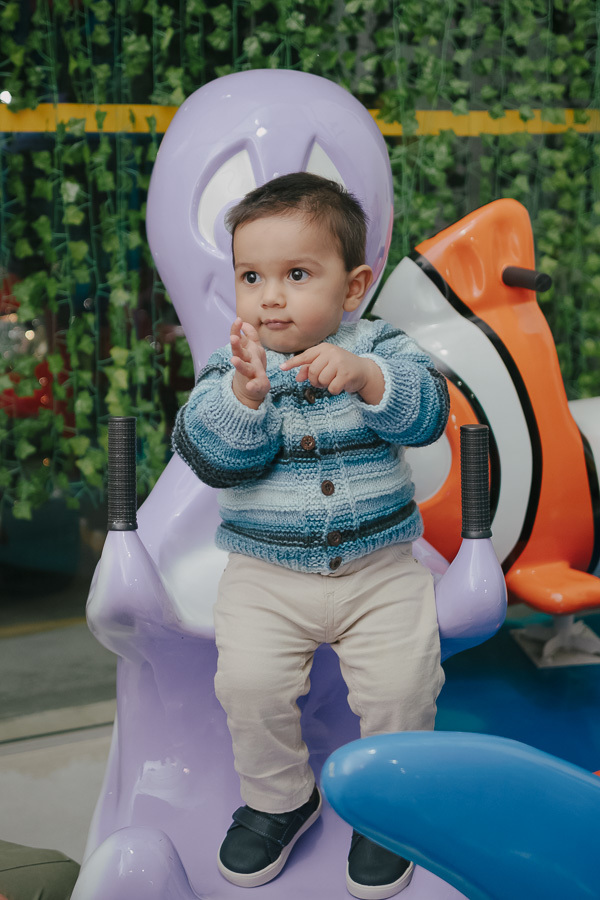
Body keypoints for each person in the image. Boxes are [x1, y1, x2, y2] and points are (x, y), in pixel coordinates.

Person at [172, 172, 449, 899]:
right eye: (251, 276)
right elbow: (212, 461)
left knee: (404, 686)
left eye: (297, 274)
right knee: (249, 686)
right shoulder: (234, 364)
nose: (270, 296)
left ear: (352, 287)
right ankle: (279, 799)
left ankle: (388, 804)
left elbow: (426, 414)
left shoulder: (380, 345)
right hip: (268, 578)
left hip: (380, 571)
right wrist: (242, 401)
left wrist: (368, 379)